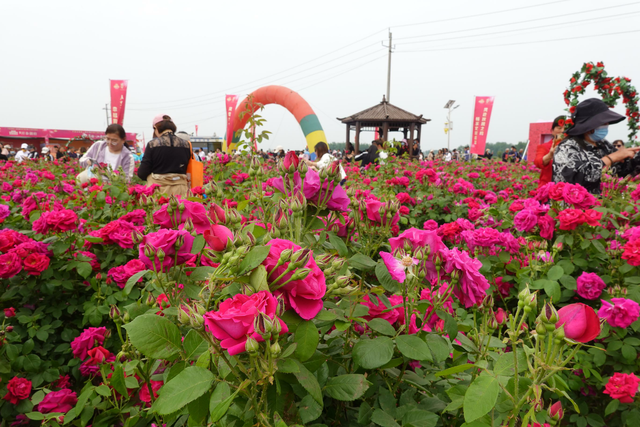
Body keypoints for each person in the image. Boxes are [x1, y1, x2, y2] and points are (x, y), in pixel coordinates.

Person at [553, 98, 640, 194]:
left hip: (604, 205)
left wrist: (634, 159)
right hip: (575, 207)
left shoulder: (604, 145)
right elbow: (575, 179)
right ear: (589, 125)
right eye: (603, 122)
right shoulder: (567, 147)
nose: (606, 125)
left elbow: (622, 170)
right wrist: (611, 158)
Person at [138, 114, 192, 197]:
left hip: (159, 191)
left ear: (156, 128)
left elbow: (142, 173)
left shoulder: (153, 144)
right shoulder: (186, 145)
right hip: (181, 190)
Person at [534, 116, 565, 188]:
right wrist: (550, 154)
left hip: (567, 190)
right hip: (547, 189)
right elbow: (538, 162)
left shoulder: (573, 147)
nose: (562, 131)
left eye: (565, 128)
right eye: (559, 128)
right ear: (552, 130)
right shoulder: (544, 147)